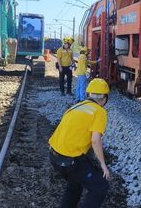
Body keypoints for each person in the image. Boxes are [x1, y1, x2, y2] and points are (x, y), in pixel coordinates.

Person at [48, 78, 111, 208]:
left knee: (75, 183)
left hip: (54, 155)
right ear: (104, 98)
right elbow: (95, 140)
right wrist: (103, 164)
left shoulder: (77, 106)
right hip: (69, 160)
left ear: (88, 94)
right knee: (100, 186)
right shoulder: (100, 111)